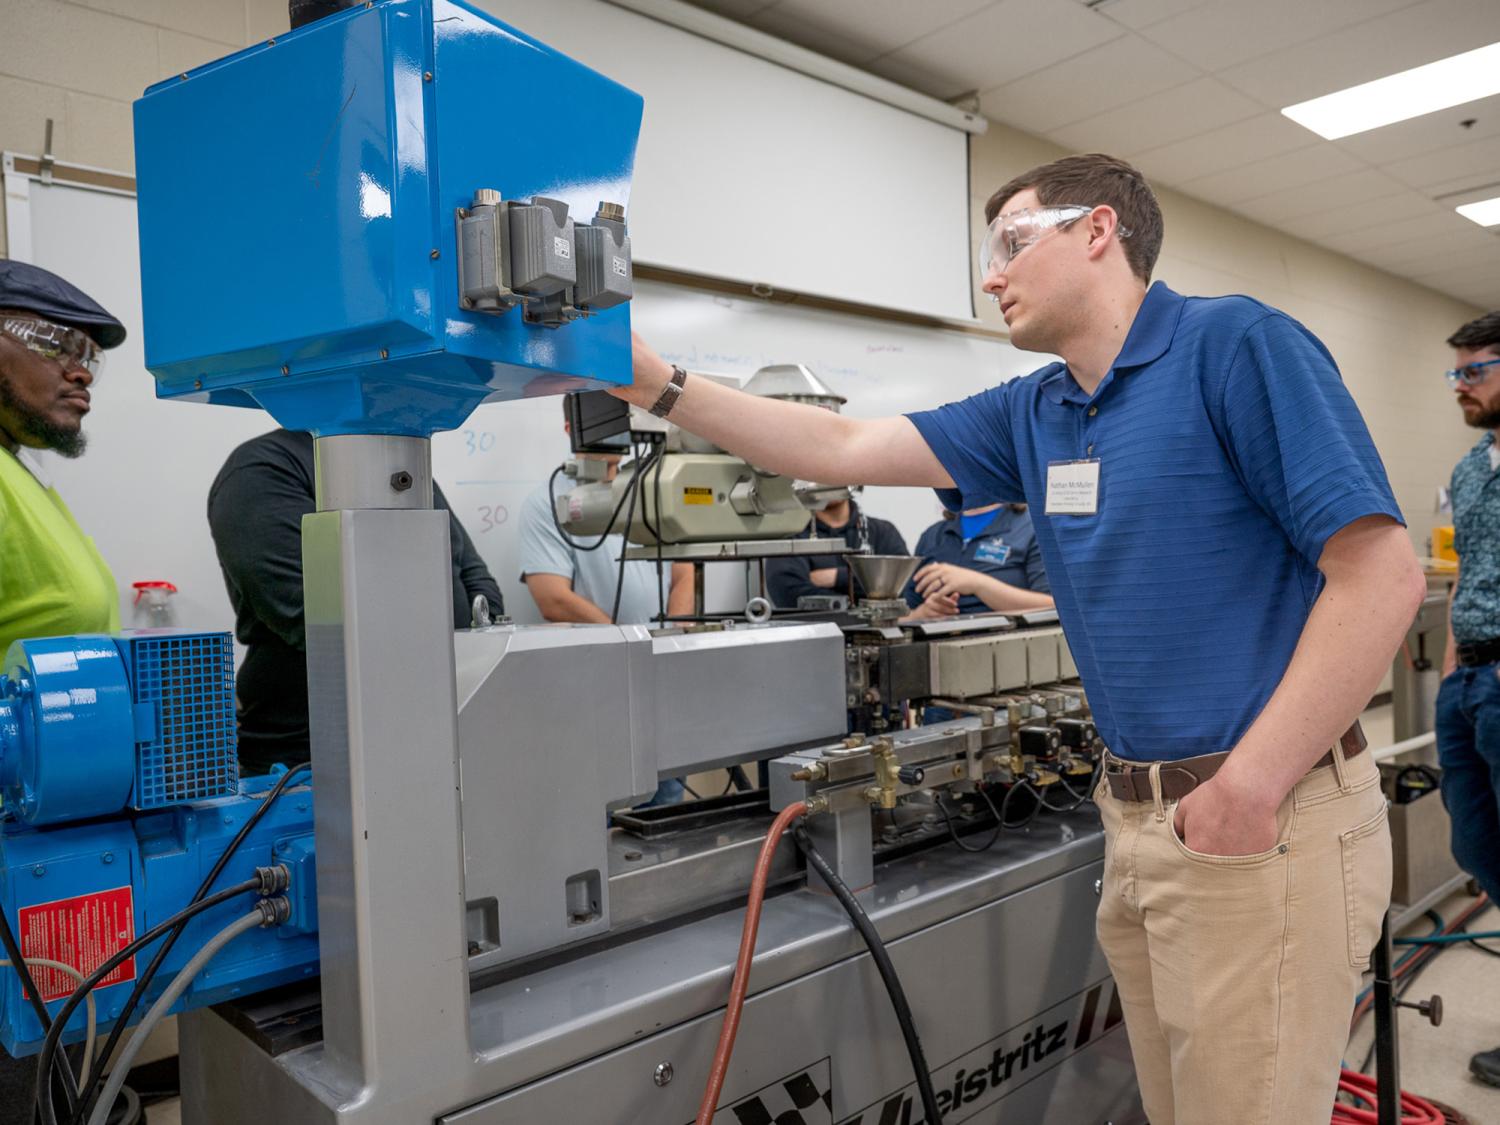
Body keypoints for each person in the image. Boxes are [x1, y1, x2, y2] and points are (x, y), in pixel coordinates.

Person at [620, 153, 1423, 1123]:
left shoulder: (1236, 345)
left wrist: (1245, 793)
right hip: (1141, 823)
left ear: (1099, 231)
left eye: (1011, 243)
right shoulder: (1037, 412)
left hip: (1263, 819)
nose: (991, 276)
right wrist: (647, 381)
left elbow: (1381, 574)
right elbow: (833, 448)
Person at [0, 260, 126, 1125]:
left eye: (90, 352)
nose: (80, 367)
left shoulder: (21, 480)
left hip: (46, 854)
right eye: (56, 341)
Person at [207, 428, 502, 777]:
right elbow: (319, 618)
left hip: (435, 738)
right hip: (310, 759)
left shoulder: (401, 457)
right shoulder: (263, 468)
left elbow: (481, 592)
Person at [518, 405, 693, 804]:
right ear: (570, 427)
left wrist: (673, 640)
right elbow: (553, 599)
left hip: (661, 675)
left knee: (665, 804)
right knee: (602, 807)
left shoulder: (653, 491)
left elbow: (684, 571)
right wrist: (629, 644)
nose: (610, 431)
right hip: (595, 683)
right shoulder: (549, 503)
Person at [1435, 310, 1500, 1088]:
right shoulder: (1472, 467)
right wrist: (1453, 666)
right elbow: (1466, 569)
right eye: (1454, 373)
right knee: (1477, 848)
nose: (1460, 387)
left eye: (1474, 371)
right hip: (1468, 682)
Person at [764, 491, 907, 609]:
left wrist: (836, 577)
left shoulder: (882, 532)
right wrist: (867, 595)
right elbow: (788, 594)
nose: (828, 481)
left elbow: (899, 585)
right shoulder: (790, 536)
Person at [907, 503, 1054, 615]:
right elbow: (905, 613)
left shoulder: (1032, 527)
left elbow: (1054, 607)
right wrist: (922, 614)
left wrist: (977, 584)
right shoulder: (932, 536)